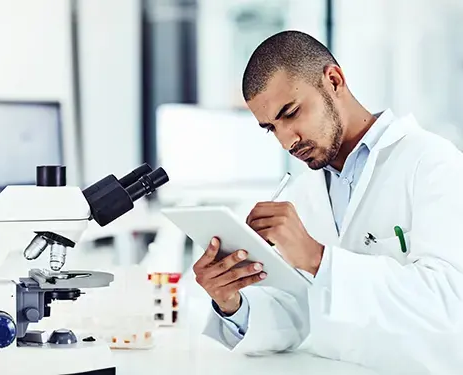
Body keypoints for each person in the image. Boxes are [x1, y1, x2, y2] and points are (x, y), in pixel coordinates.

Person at [192, 30, 463, 374]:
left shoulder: (433, 162)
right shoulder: (305, 191)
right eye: (270, 128)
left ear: (334, 80)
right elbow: (301, 312)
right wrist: (231, 302)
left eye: (290, 113)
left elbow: (450, 302)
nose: (286, 141)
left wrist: (318, 258)